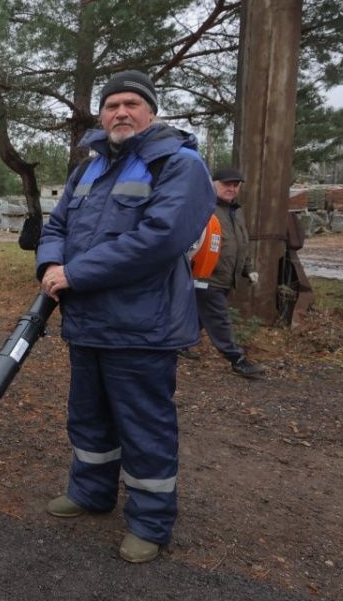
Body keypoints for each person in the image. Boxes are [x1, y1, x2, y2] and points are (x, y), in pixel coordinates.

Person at [36, 70, 215, 564]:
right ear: (101, 115)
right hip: (88, 322)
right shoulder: (89, 168)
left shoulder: (179, 165)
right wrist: (51, 262)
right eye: (112, 104)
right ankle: (91, 492)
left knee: (143, 425)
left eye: (132, 103)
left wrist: (75, 272)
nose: (121, 112)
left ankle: (150, 523)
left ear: (151, 112)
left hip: (142, 326)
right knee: (88, 416)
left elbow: (160, 239)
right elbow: (58, 223)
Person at [188, 168, 264, 378]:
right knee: (218, 318)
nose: (231, 188)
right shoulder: (203, 207)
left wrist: (248, 269)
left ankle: (179, 344)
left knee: (200, 316)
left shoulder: (235, 211)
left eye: (235, 185)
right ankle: (236, 359)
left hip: (224, 278)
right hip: (205, 276)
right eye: (226, 184)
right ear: (213, 183)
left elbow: (241, 243)